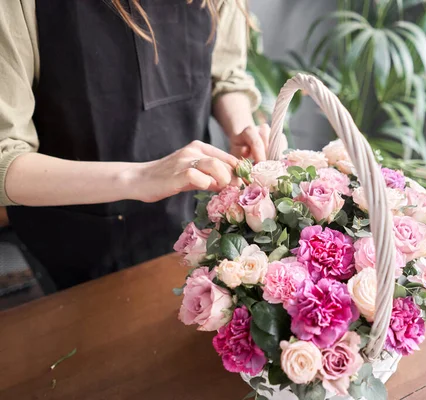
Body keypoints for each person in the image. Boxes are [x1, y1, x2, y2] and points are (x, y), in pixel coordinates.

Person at [0, 0, 269, 289]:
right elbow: (5, 154)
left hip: (190, 222)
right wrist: (142, 176)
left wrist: (241, 128)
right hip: (74, 240)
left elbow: (225, 75)